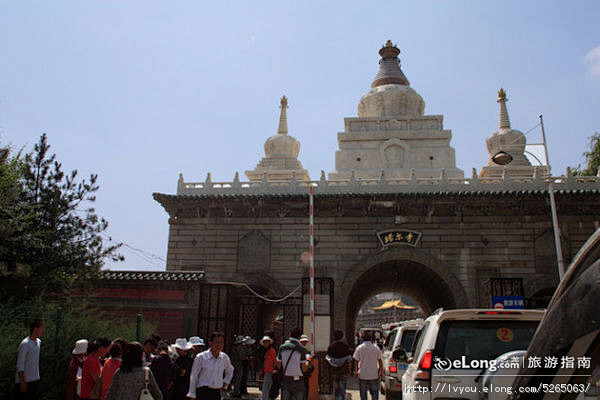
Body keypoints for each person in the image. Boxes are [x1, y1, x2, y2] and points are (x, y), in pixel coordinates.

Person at [187, 331, 234, 400]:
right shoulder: (201, 357)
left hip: (216, 392)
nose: (219, 345)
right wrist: (192, 393)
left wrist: (226, 382)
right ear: (210, 343)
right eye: (217, 342)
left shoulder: (224, 357)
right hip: (203, 391)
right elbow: (194, 375)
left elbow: (230, 370)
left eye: (221, 342)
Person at [278, 328, 311, 400]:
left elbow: (279, 365)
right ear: (299, 337)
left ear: (290, 335)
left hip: (286, 378)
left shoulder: (282, 347)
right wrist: (308, 361)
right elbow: (304, 369)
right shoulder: (301, 349)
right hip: (298, 379)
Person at [15, 319, 44, 400]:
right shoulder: (25, 344)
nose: (43, 330)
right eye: (41, 328)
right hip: (25, 382)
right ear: (35, 329)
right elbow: (20, 364)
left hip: (35, 380)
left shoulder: (38, 342)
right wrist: (22, 382)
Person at [353, 331, 383, 400]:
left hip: (362, 374)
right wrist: (381, 371)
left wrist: (356, 371)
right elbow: (380, 361)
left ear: (362, 339)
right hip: (374, 375)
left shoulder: (359, 348)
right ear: (371, 339)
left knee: (363, 393)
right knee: (375, 393)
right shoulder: (376, 348)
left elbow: (356, 361)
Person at [326, 330, 353, 400]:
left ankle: (337, 398)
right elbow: (349, 359)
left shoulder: (331, 346)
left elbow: (328, 358)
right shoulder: (345, 346)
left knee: (336, 387)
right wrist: (349, 370)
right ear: (342, 336)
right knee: (342, 387)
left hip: (334, 371)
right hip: (343, 371)